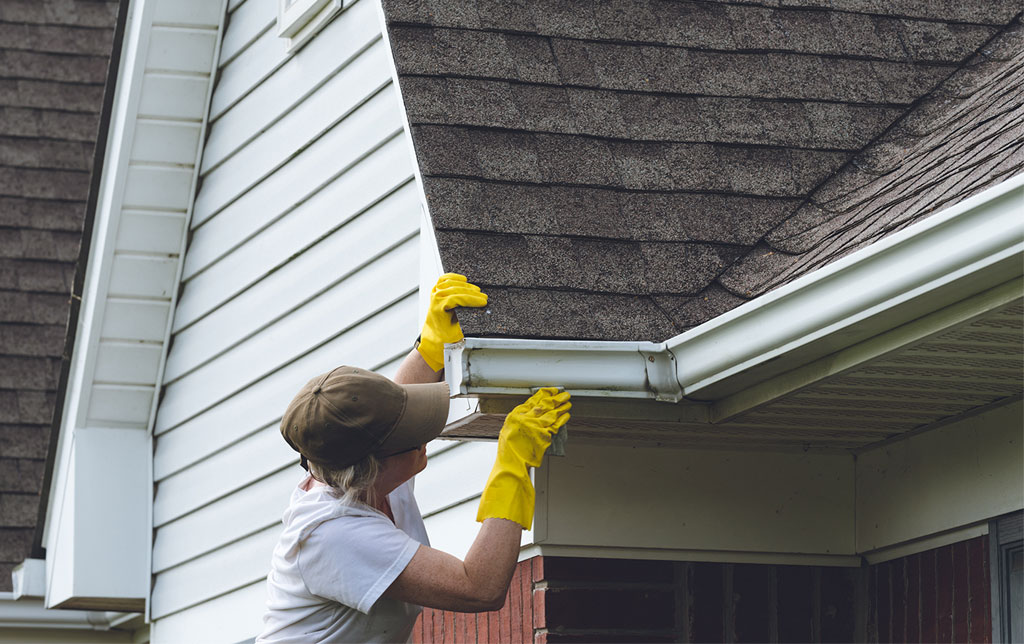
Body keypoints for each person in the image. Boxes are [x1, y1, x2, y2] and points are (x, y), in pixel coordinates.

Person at [258, 274, 571, 643]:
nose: (423, 434)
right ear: (370, 468)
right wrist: (514, 463)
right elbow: (479, 588)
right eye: (407, 434)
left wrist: (431, 345)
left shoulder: (356, 475)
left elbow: (389, 413)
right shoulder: (334, 534)